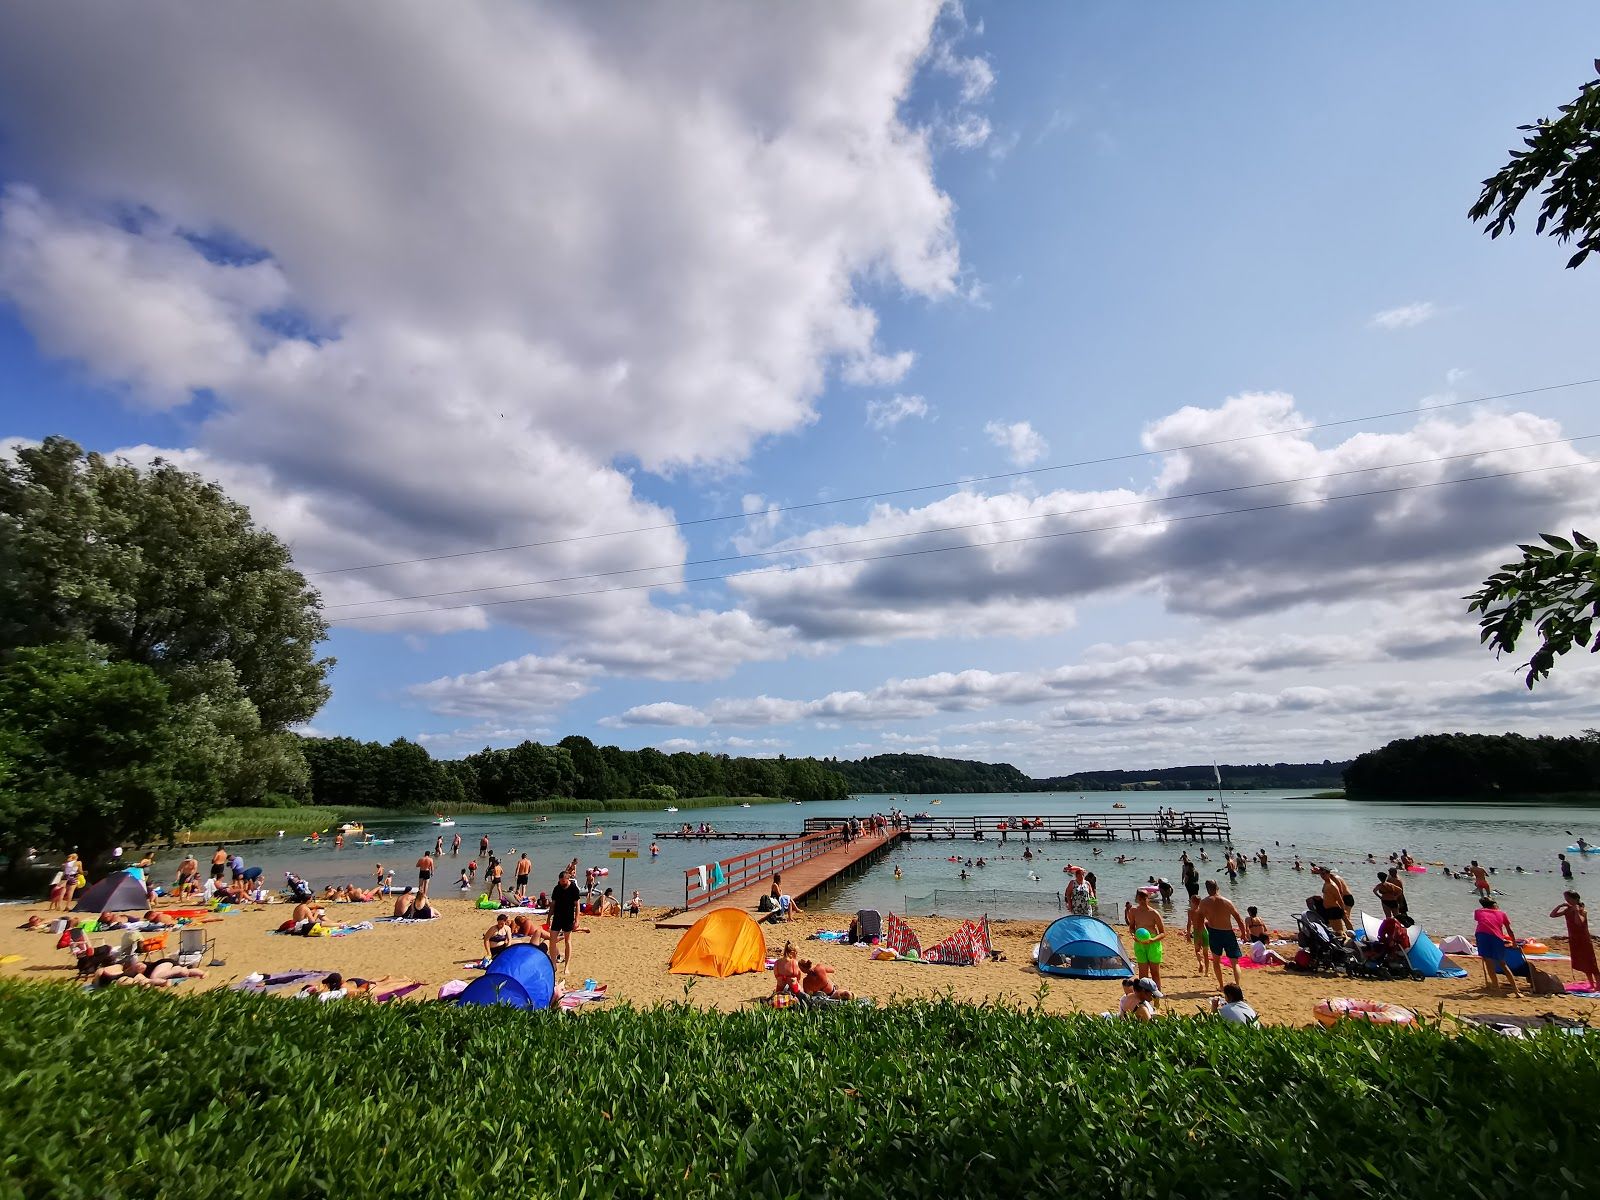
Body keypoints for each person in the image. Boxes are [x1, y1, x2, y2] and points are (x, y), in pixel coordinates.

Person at [1198, 880, 1248, 990]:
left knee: (1216, 961)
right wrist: (1244, 933)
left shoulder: (1204, 903)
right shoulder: (1227, 902)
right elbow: (1238, 918)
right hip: (1228, 932)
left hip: (1214, 933)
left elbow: (1200, 921)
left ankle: (1221, 986)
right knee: (1235, 962)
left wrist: (1201, 936)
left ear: (1207, 889)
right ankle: (1237, 986)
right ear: (1217, 887)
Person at [1551, 892, 1600, 991]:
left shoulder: (1582, 910)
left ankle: (1598, 986)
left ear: (1575, 899)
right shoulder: (1567, 910)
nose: (1567, 901)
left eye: (1568, 899)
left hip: (1584, 940)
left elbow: (1579, 923)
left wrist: (1577, 911)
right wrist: (1560, 906)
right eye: (1566, 899)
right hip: (1574, 939)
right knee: (1583, 963)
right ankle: (1591, 984)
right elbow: (1552, 915)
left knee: (1591, 963)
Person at [1474, 897, 1521, 995]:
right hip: (1496, 937)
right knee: (1502, 963)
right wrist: (1514, 943)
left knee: (1488, 962)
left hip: (1482, 935)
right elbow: (1509, 930)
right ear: (1494, 904)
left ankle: (1496, 988)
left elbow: (1483, 922)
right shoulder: (1502, 913)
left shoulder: (1478, 911)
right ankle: (1516, 990)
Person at [1127, 892, 1166, 990]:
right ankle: (1144, 996)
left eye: (1144, 899)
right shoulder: (1133, 911)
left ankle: (1157, 996)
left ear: (1147, 899)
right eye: (1140, 900)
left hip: (1152, 943)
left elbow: (1163, 933)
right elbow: (1131, 927)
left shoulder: (1153, 913)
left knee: (1154, 972)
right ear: (1137, 899)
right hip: (1140, 943)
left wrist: (1152, 939)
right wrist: (1133, 935)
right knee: (1143, 973)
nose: (1142, 902)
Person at [550, 868, 581, 969]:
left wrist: (577, 919)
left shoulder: (574, 889)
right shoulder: (557, 888)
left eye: (563, 881)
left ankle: (566, 966)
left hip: (568, 918)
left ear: (568, 879)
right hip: (557, 917)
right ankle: (554, 964)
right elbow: (553, 904)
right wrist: (549, 917)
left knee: (567, 941)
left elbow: (577, 905)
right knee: (552, 940)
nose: (562, 883)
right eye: (560, 881)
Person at [1315, 866, 1353, 937]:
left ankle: (1351, 937)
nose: (1322, 876)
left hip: (1340, 904)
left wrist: (1342, 909)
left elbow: (1340, 896)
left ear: (1328, 873)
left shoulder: (1333, 883)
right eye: (1321, 874)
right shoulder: (1327, 882)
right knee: (1338, 928)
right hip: (1331, 909)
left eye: (1323, 874)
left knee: (1342, 925)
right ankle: (1348, 936)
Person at [1185, 894, 1209, 975]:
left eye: (1190, 901)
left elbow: (1189, 924)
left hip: (1196, 932)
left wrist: (1188, 934)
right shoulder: (1202, 910)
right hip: (1204, 932)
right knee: (1206, 954)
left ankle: (1201, 963)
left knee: (1197, 951)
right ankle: (1206, 972)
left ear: (1193, 902)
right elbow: (1207, 921)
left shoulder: (1190, 911)